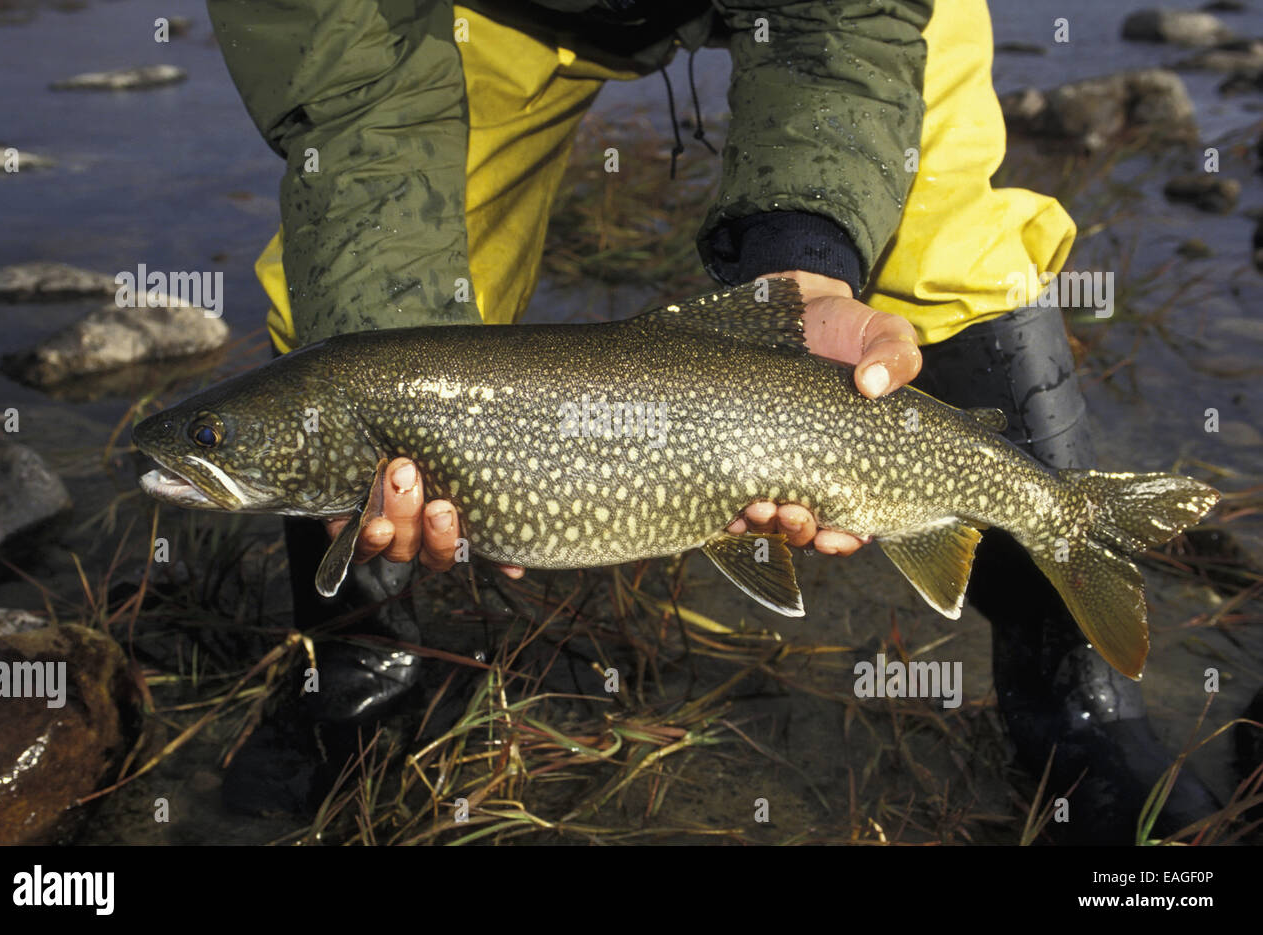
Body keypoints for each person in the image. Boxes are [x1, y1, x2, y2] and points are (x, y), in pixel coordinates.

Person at [208, 0, 1218, 842]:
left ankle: (1077, 690)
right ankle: (358, 680)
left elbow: (854, 23)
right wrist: (386, 360)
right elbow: (352, 85)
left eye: (212, 444)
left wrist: (802, 254)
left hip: (841, 14)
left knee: (950, 231)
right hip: (463, 14)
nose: (199, 453)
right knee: (342, 310)